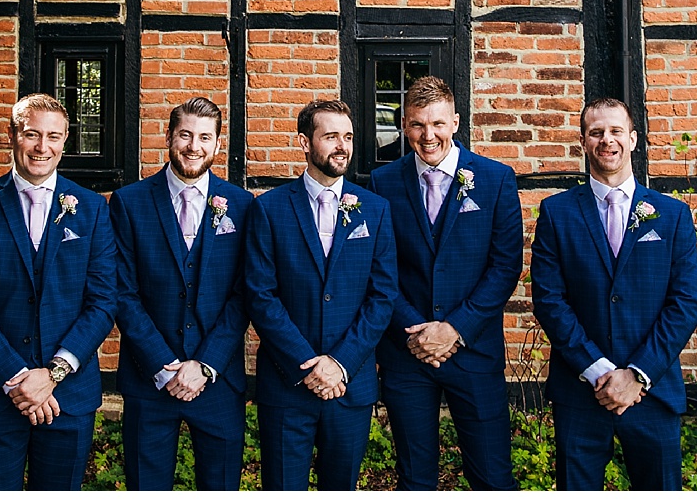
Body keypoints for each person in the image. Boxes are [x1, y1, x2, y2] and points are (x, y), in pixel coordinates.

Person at [0, 94, 118, 491]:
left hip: (68, 397)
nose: (43, 147)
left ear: (66, 140)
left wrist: (53, 374)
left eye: (54, 137)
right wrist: (18, 378)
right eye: (32, 135)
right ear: (12, 135)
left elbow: (103, 302)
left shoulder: (91, 208)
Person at [530, 98, 697, 490]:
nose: (607, 140)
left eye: (615, 131)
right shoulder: (556, 213)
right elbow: (550, 300)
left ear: (633, 139)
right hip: (580, 391)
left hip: (651, 393)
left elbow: (685, 304)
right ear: (583, 142)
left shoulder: (672, 216)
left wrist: (637, 375)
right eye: (596, 132)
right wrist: (599, 371)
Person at [367, 76, 520, 491]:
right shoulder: (382, 184)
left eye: (437, 124)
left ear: (455, 121)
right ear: (405, 127)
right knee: (415, 478)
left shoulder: (495, 179)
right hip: (407, 352)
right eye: (417, 125)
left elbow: (505, 266)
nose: (427, 135)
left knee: (492, 476)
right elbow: (380, 271)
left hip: (473, 351)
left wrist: (454, 329)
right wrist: (416, 332)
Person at [243, 99, 398, 491]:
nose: (342, 146)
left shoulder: (375, 210)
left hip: (350, 384)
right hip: (287, 384)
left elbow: (382, 296)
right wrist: (307, 364)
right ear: (304, 142)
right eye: (330, 136)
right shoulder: (270, 209)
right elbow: (261, 295)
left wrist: (340, 364)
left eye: (347, 136)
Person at [106, 96, 252, 490]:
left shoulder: (241, 204)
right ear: (168, 136)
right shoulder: (129, 202)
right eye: (185, 134)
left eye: (205, 137)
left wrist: (204, 364)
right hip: (148, 380)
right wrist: (164, 364)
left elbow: (244, 294)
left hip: (218, 379)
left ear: (218, 144)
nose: (194, 146)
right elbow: (122, 291)